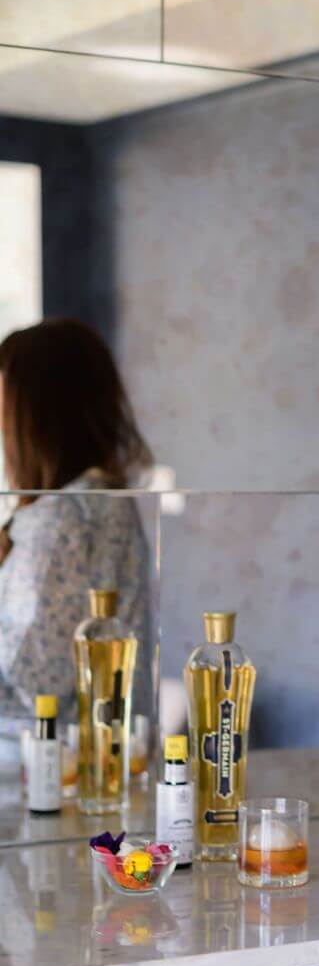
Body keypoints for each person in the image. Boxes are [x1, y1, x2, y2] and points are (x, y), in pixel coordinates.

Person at [0, 317, 154, 758]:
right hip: (94, 760)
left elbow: (41, 677)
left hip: (46, 769)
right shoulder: (101, 499)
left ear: (36, 415)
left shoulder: (64, 515)